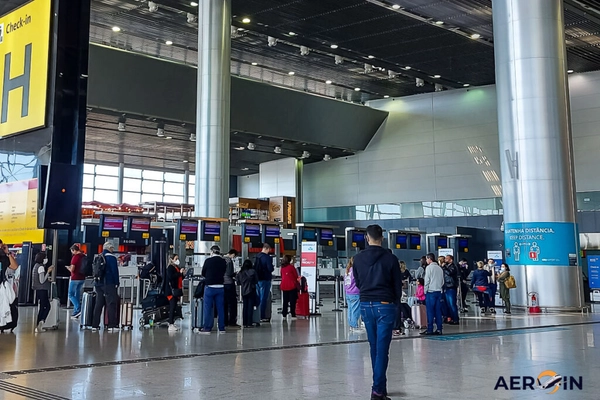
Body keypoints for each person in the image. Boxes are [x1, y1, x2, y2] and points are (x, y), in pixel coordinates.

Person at [352, 224, 402, 400]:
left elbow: (357, 283)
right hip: (385, 304)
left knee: (374, 347)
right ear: (382, 238)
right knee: (382, 350)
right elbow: (397, 285)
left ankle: (380, 386)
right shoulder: (391, 259)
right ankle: (377, 390)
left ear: (367, 237)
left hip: (366, 305)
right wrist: (395, 305)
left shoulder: (357, 259)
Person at [198, 245, 227, 334]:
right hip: (221, 287)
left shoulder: (208, 261)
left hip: (210, 287)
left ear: (212, 252)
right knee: (220, 308)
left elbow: (203, 273)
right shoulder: (223, 261)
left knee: (208, 308)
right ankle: (222, 328)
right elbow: (224, 271)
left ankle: (207, 328)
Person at [92, 242, 120, 332]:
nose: (113, 249)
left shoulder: (99, 256)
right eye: (112, 248)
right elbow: (114, 271)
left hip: (98, 284)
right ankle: (111, 325)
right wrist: (116, 282)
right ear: (109, 248)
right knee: (111, 304)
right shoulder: (111, 258)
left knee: (98, 304)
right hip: (109, 283)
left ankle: (95, 325)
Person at [421, 253, 444, 336]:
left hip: (431, 292)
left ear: (429, 259)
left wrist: (425, 291)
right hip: (439, 291)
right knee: (438, 311)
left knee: (430, 311)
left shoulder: (429, 268)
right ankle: (439, 329)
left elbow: (427, 280)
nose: (426, 261)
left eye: (427, 259)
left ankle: (430, 329)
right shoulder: (439, 268)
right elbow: (442, 281)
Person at [31, 252, 53, 333]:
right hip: (42, 290)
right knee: (46, 307)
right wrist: (48, 272)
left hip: (38, 290)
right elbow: (42, 280)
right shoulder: (41, 267)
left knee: (42, 307)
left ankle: (39, 324)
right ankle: (40, 323)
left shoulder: (36, 266)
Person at [254, 243, 274, 322]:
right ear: (267, 248)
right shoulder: (267, 257)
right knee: (263, 298)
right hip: (265, 280)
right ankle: (262, 316)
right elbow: (270, 269)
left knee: (258, 298)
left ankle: (257, 315)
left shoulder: (257, 256)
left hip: (257, 280)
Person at [165, 255, 185, 332]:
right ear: (172, 260)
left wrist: (182, 274)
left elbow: (179, 278)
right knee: (172, 306)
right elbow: (171, 277)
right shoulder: (170, 268)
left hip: (176, 289)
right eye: (176, 259)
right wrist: (179, 273)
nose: (177, 260)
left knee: (174, 306)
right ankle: (170, 324)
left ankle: (172, 322)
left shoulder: (177, 267)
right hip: (171, 291)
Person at [66, 244, 86, 319]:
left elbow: (72, 269)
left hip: (75, 278)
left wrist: (68, 268)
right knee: (77, 294)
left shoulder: (75, 257)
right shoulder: (83, 256)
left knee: (70, 294)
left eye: (72, 251)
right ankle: (76, 312)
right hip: (82, 278)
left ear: (74, 250)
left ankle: (78, 308)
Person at [237, 260, 258, 328]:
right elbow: (256, 281)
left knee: (245, 307)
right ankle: (249, 323)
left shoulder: (240, 273)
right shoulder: (253, 271)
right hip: (251, 290)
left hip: (243, 291)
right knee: (250, 307)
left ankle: (244, 323)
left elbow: (238, 283)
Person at [344, 257, 362, 332]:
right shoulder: (355, 271)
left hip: (348, 292)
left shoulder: (347, 271)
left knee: (350, 310)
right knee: (355, 310)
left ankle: (351, 325)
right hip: (355, 292)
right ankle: (354, 326)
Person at [223, 249, 240, 328]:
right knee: (232, 304)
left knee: (224, 304)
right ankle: (232, 321)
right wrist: (235, 274)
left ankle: (224, 321)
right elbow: (229, 273)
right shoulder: (229, 261)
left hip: (222, 284)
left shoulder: (222, 259)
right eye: (234, 256)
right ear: (232, 254)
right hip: (229, 283)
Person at [280, 255, 299, 320]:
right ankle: (293, 314)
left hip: (284, 285)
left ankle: (284, 314)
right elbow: (296, 276)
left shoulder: (282, 267)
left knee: (285, 301)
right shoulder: (291, 267)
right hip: (291, 286)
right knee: (292, 301)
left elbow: (281, 276)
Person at [443, 255, 459, 325]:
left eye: (447, 259)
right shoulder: (447, 267)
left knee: (452, 304)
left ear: (451, 260)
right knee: (448, 304)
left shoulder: (453, 266)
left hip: (451, 286)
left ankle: (455, 319)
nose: (445, 260)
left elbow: (450, 273)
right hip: (446, 286)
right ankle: (450, 318)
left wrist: (444, 267)